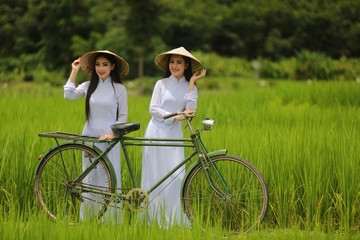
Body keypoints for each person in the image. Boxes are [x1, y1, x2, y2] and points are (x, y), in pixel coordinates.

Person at [141, 47, 206, 227]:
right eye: (172, 62)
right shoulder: (160, 84)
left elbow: (191, 110)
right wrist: (173, 116)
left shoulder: (190, 87)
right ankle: (153, 219)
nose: (174, 65)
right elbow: (152, 109)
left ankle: (174, 219)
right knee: (155, 174)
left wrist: (192, 82)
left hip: (174, 134)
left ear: (186, 65)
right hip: (155, 132)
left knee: (176, 175)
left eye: (179, 62)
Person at [63, 50, 129, 222]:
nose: (101, 68)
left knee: (109, 179)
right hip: (90, 137)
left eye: (105, 64)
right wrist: (74, 70)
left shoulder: (119, 89)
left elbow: (122, 117)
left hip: (109, 139)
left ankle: (110, 221)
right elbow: (68, 95)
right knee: (90, 178)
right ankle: (90, 219)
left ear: (112, 67)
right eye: (98, 64)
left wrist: (112, 134)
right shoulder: (87, 86)